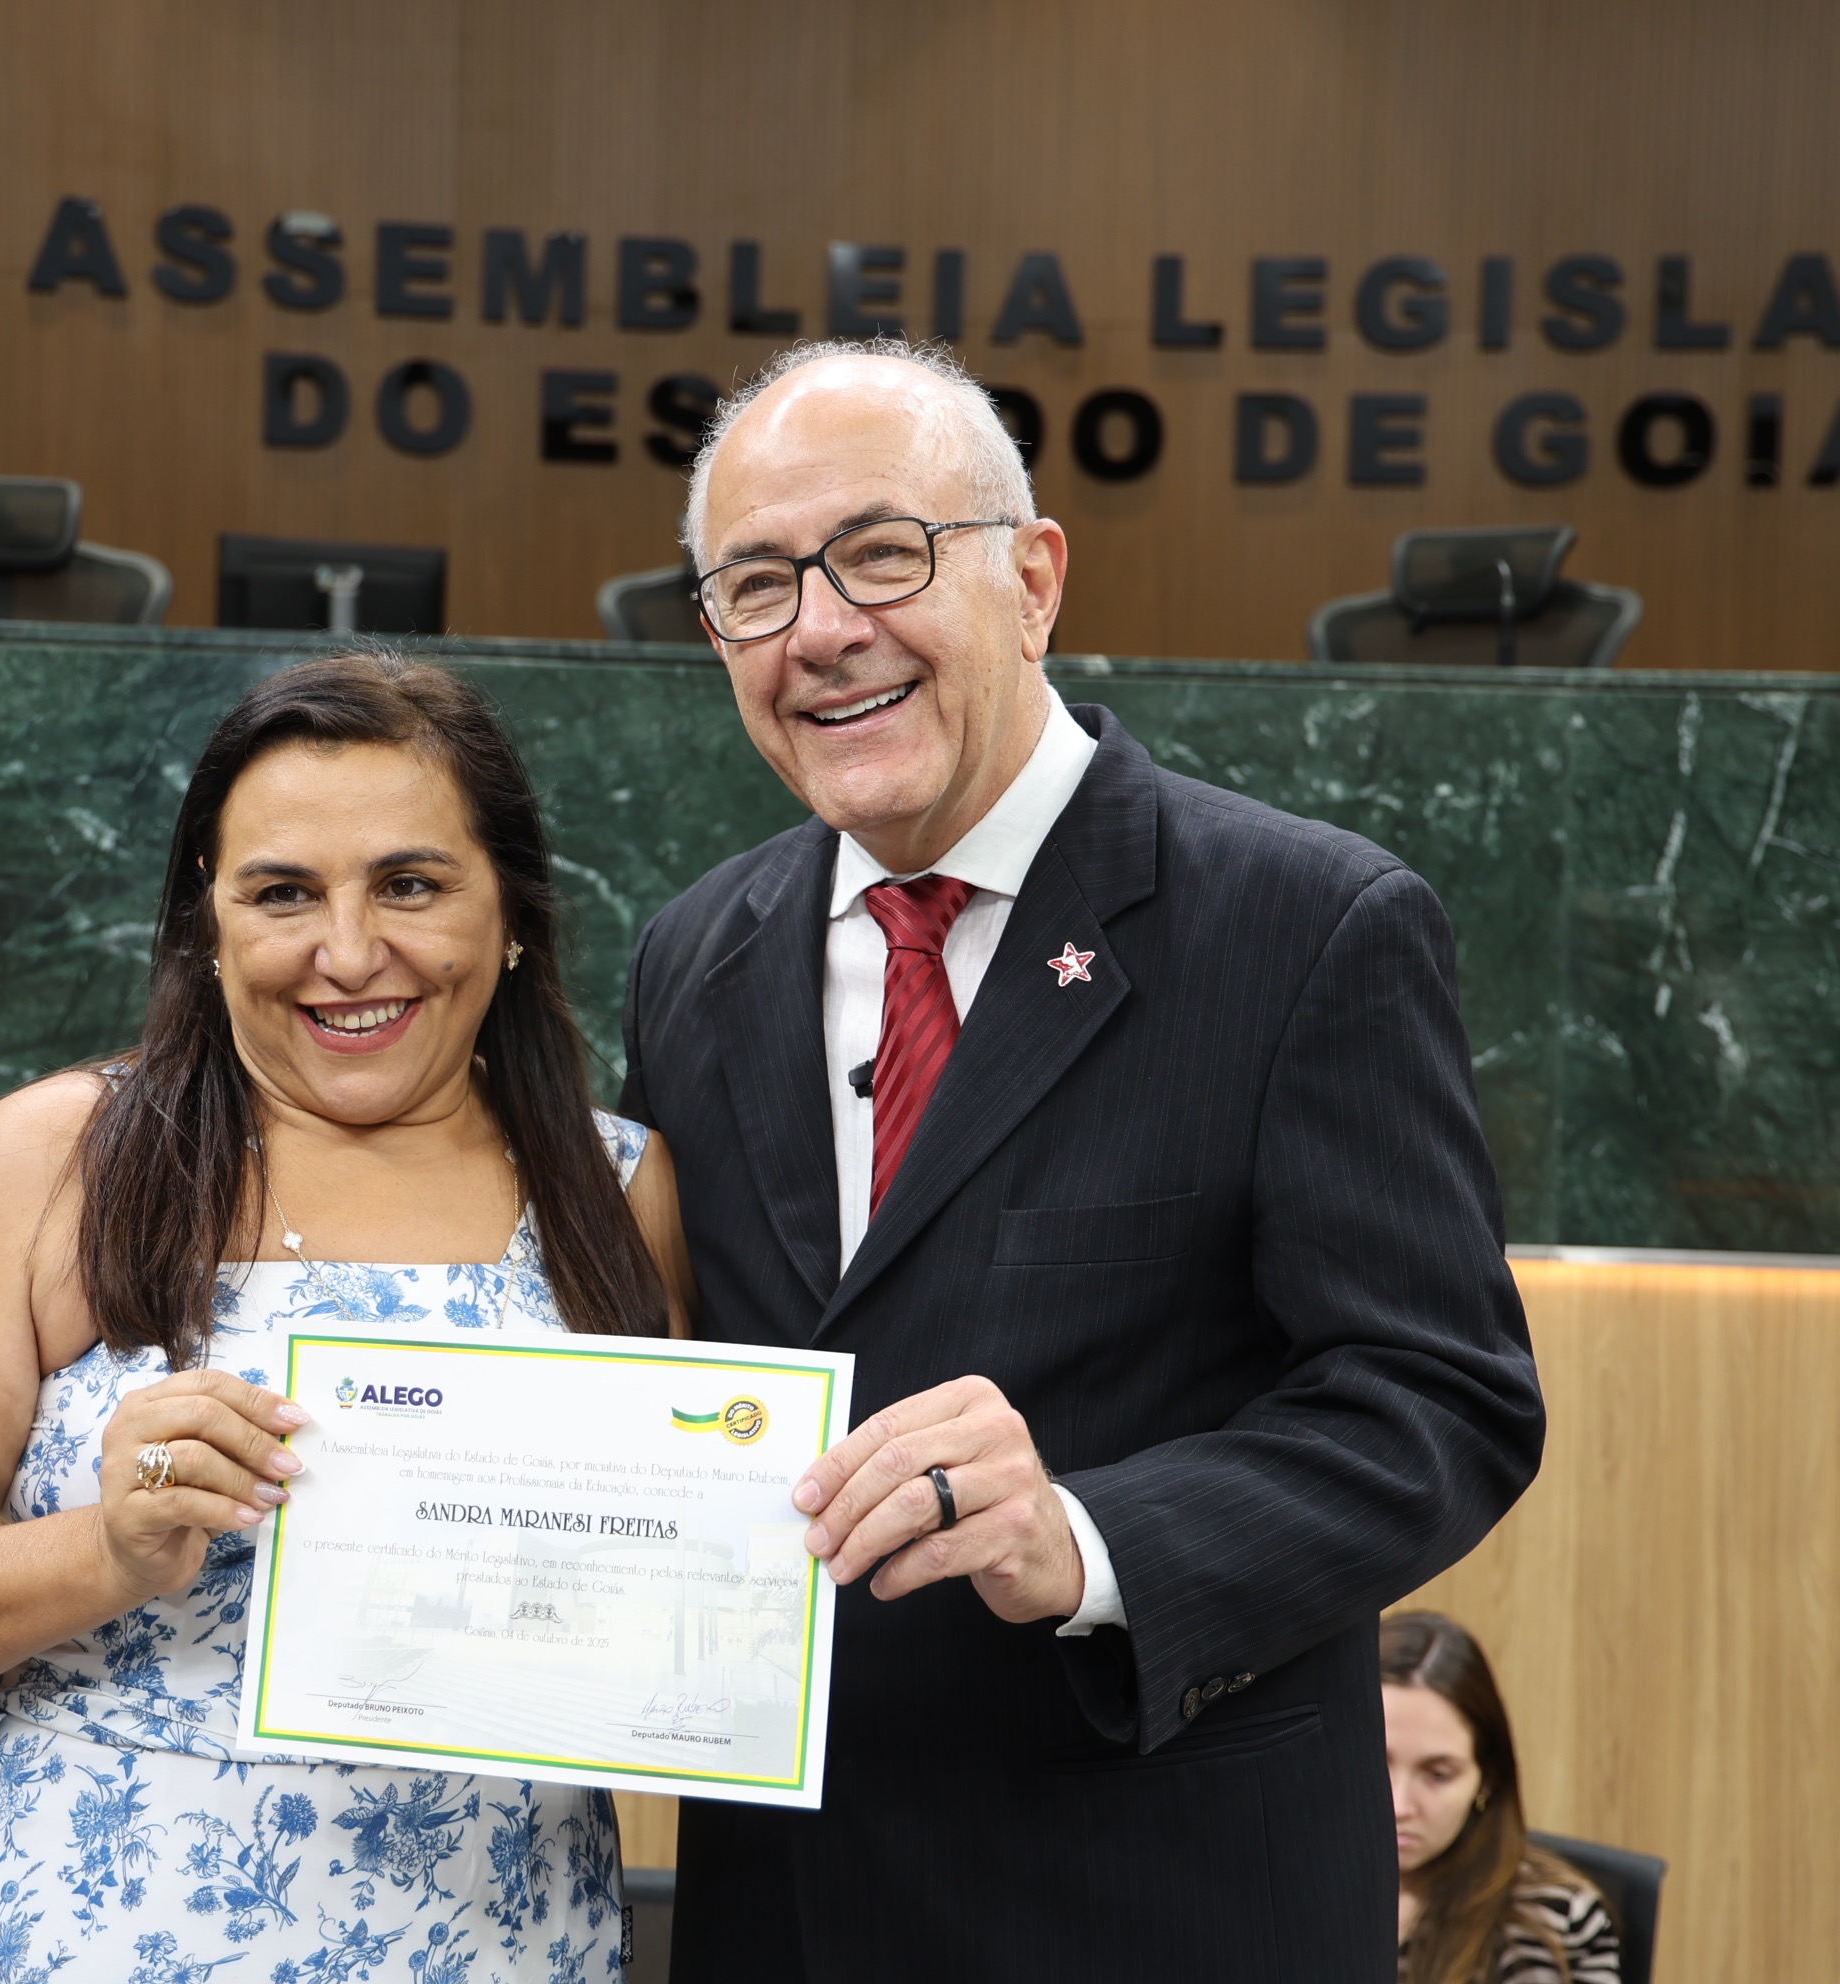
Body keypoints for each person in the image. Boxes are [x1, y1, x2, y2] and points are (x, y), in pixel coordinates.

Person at [618, 338, 1547, 1979]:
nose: (820, 629)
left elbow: (1439, 1401)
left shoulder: (1305, 924)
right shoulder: (694, 955)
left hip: (1156, 1911)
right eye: (755, 585)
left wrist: (1088, 1538)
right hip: (788, 1917)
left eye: (882, 554)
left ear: (1035, 579)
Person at [0, 653, 696, 1984]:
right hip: (85, 1939)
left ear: (513, 909)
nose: (347, 953)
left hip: (498, 1939)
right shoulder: (60, 1162)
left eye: (411, 885)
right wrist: (102, 1552)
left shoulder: (620, 1192)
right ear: (211, 921)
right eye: (282, 893)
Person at [1383, 1611, 1621, 1984]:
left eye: (1438, 1775)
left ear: (1487, 1778)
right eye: (1375, 1766)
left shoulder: (1549, 1920)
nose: (1398, 1806)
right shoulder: (1293, 1892)